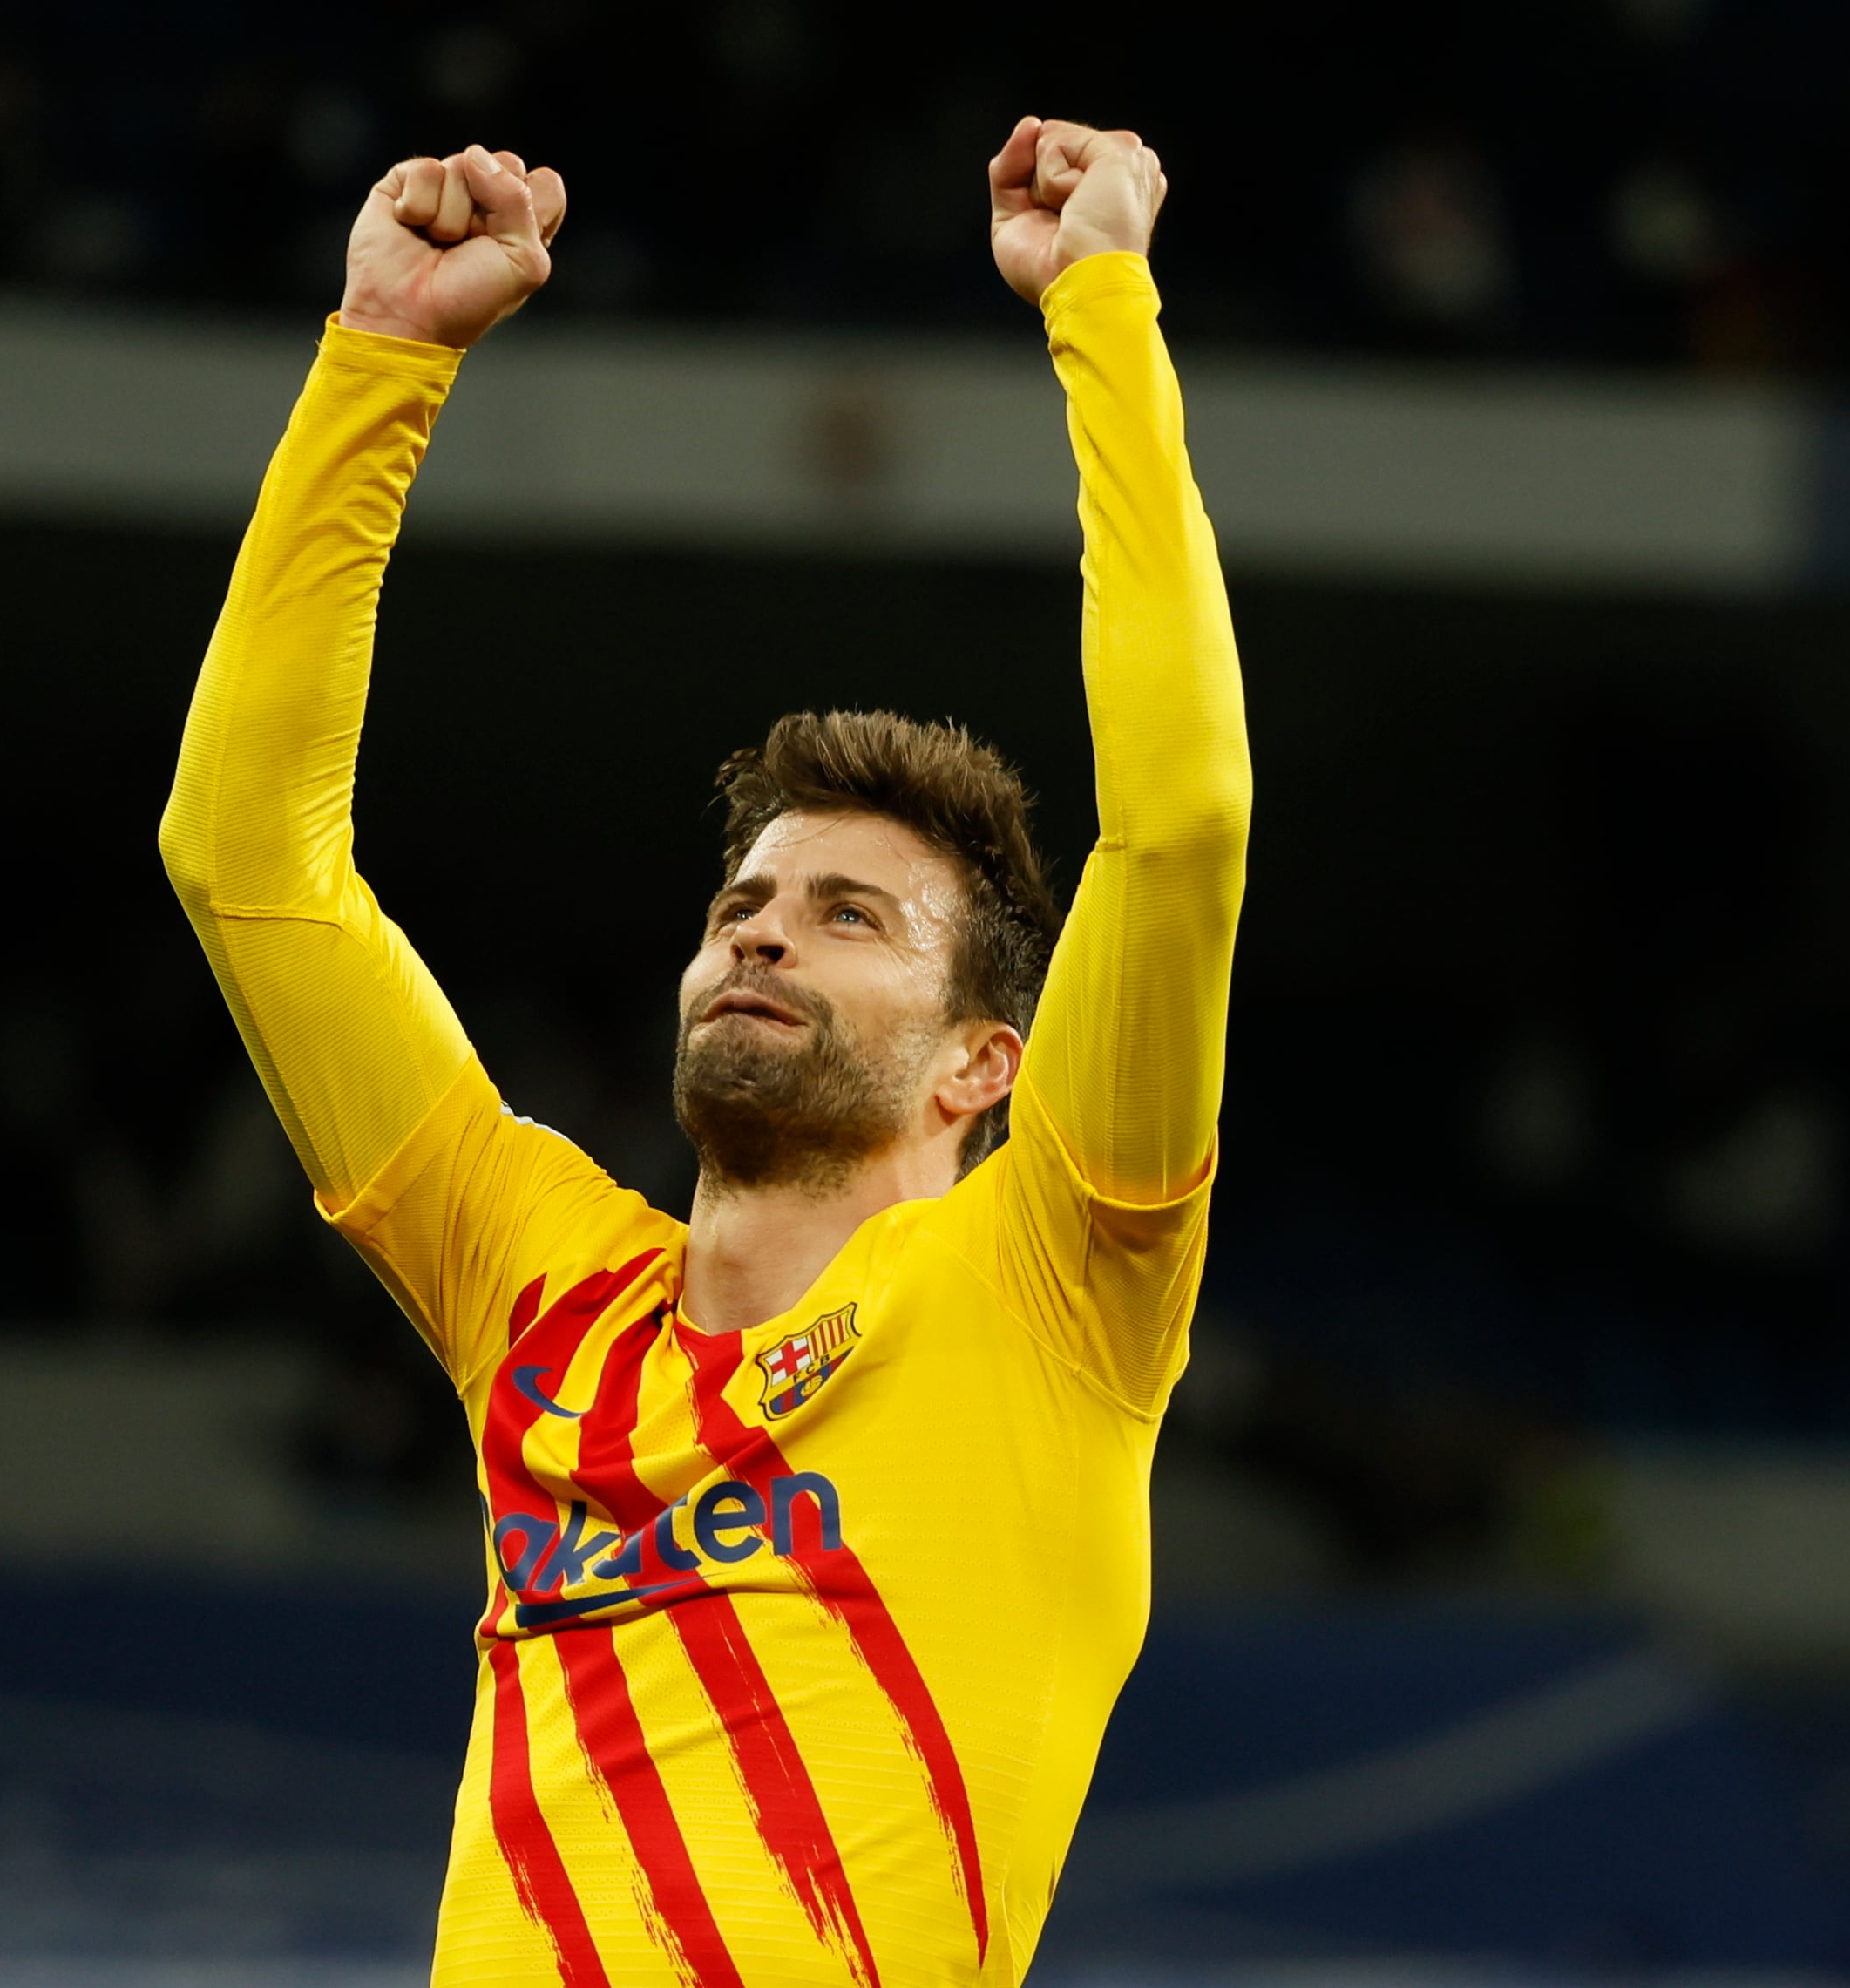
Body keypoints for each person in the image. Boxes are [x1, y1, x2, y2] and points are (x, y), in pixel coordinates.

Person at [161, 118, 1246, 1988]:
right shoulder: (539, 1291)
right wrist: (382, 365)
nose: (759, 928)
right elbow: (245, 856)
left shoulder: (1056, 1285)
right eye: (748, 899)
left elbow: (1188, 819)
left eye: (850, 916)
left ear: (986, 1063)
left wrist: (1104, 309)